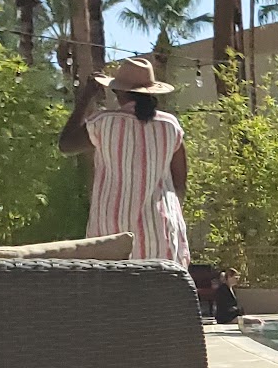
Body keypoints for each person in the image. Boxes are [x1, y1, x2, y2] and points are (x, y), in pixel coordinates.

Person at [59, 57, 190, 266]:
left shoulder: (104, 123)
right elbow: (180, 183)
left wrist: (86, 97)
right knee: (161, 288)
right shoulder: (170, 125)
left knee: (114, 287)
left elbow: (66, 144)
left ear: (119, 92)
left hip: (111, 235)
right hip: (160, 234)